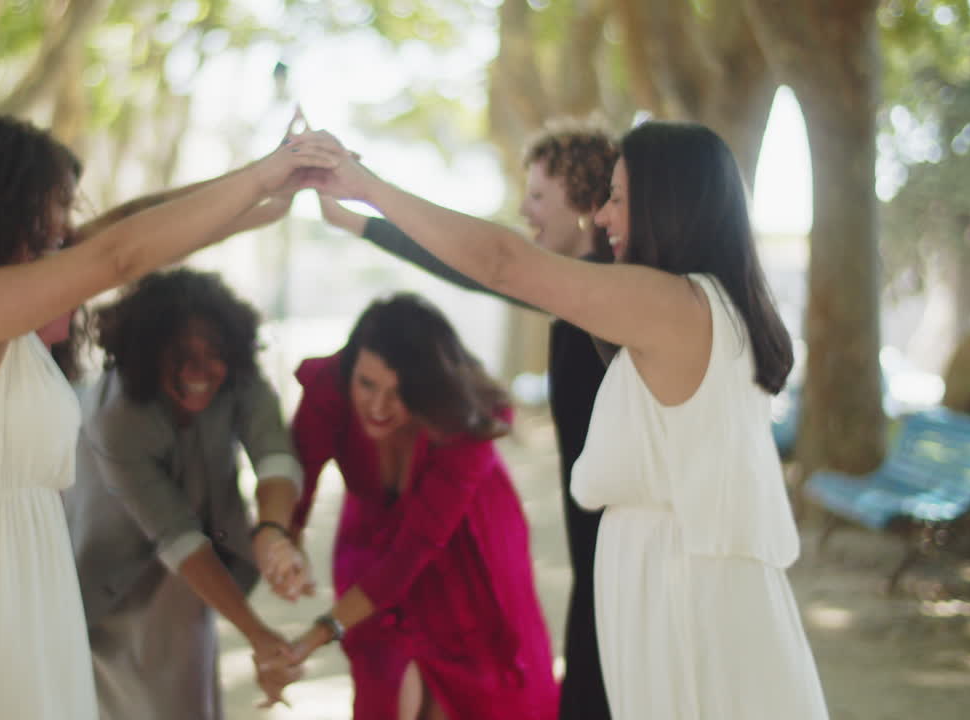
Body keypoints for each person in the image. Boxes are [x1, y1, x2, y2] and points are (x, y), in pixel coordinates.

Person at [307, 121, 828, 719]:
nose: (603, 217)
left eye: (618, 198)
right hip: (670, 587)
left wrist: (365, 185)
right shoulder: (696, 305)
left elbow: (502, 263)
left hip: (681, 598)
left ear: (667, 206)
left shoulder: (672, 304)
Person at [0, 104, 337, 719]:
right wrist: (266, 175)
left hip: (19, 580)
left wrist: (266, 186)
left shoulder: (0, 309)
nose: (65, 221)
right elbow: (118, 255)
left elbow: (126, 231)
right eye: (53, 202)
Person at [317, 120, 618, 719]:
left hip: (621, 534)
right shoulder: (569, 295)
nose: (525, 210)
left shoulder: (611, 294)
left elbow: (491, 263)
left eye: (537, 196)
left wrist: (362, 202)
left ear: (584, 200)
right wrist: (354, 222)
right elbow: (470, 264)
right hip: (593, 533)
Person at [282, 294, 559, 720]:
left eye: (400, 392)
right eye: (367, 384)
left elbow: (409, 557)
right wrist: (287, 540)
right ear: (349, 369)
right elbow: (296, 479)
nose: (377, 407)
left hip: (466, 541)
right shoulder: (329, 386)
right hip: (373, 537)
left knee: (487, 689)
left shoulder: (466, 423)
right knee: (383, 682)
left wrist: (314, 637)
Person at [63, 268, 312, 719]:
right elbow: (176, 537)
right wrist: (259, 636)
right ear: (148, 356)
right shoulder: (116, 420)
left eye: (214, 353)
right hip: (110, 570)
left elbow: (274, 455)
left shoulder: (240, 377)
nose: (201, 370)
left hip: (190, 571)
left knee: (187, 689)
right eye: (182, 356)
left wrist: (273, 533)